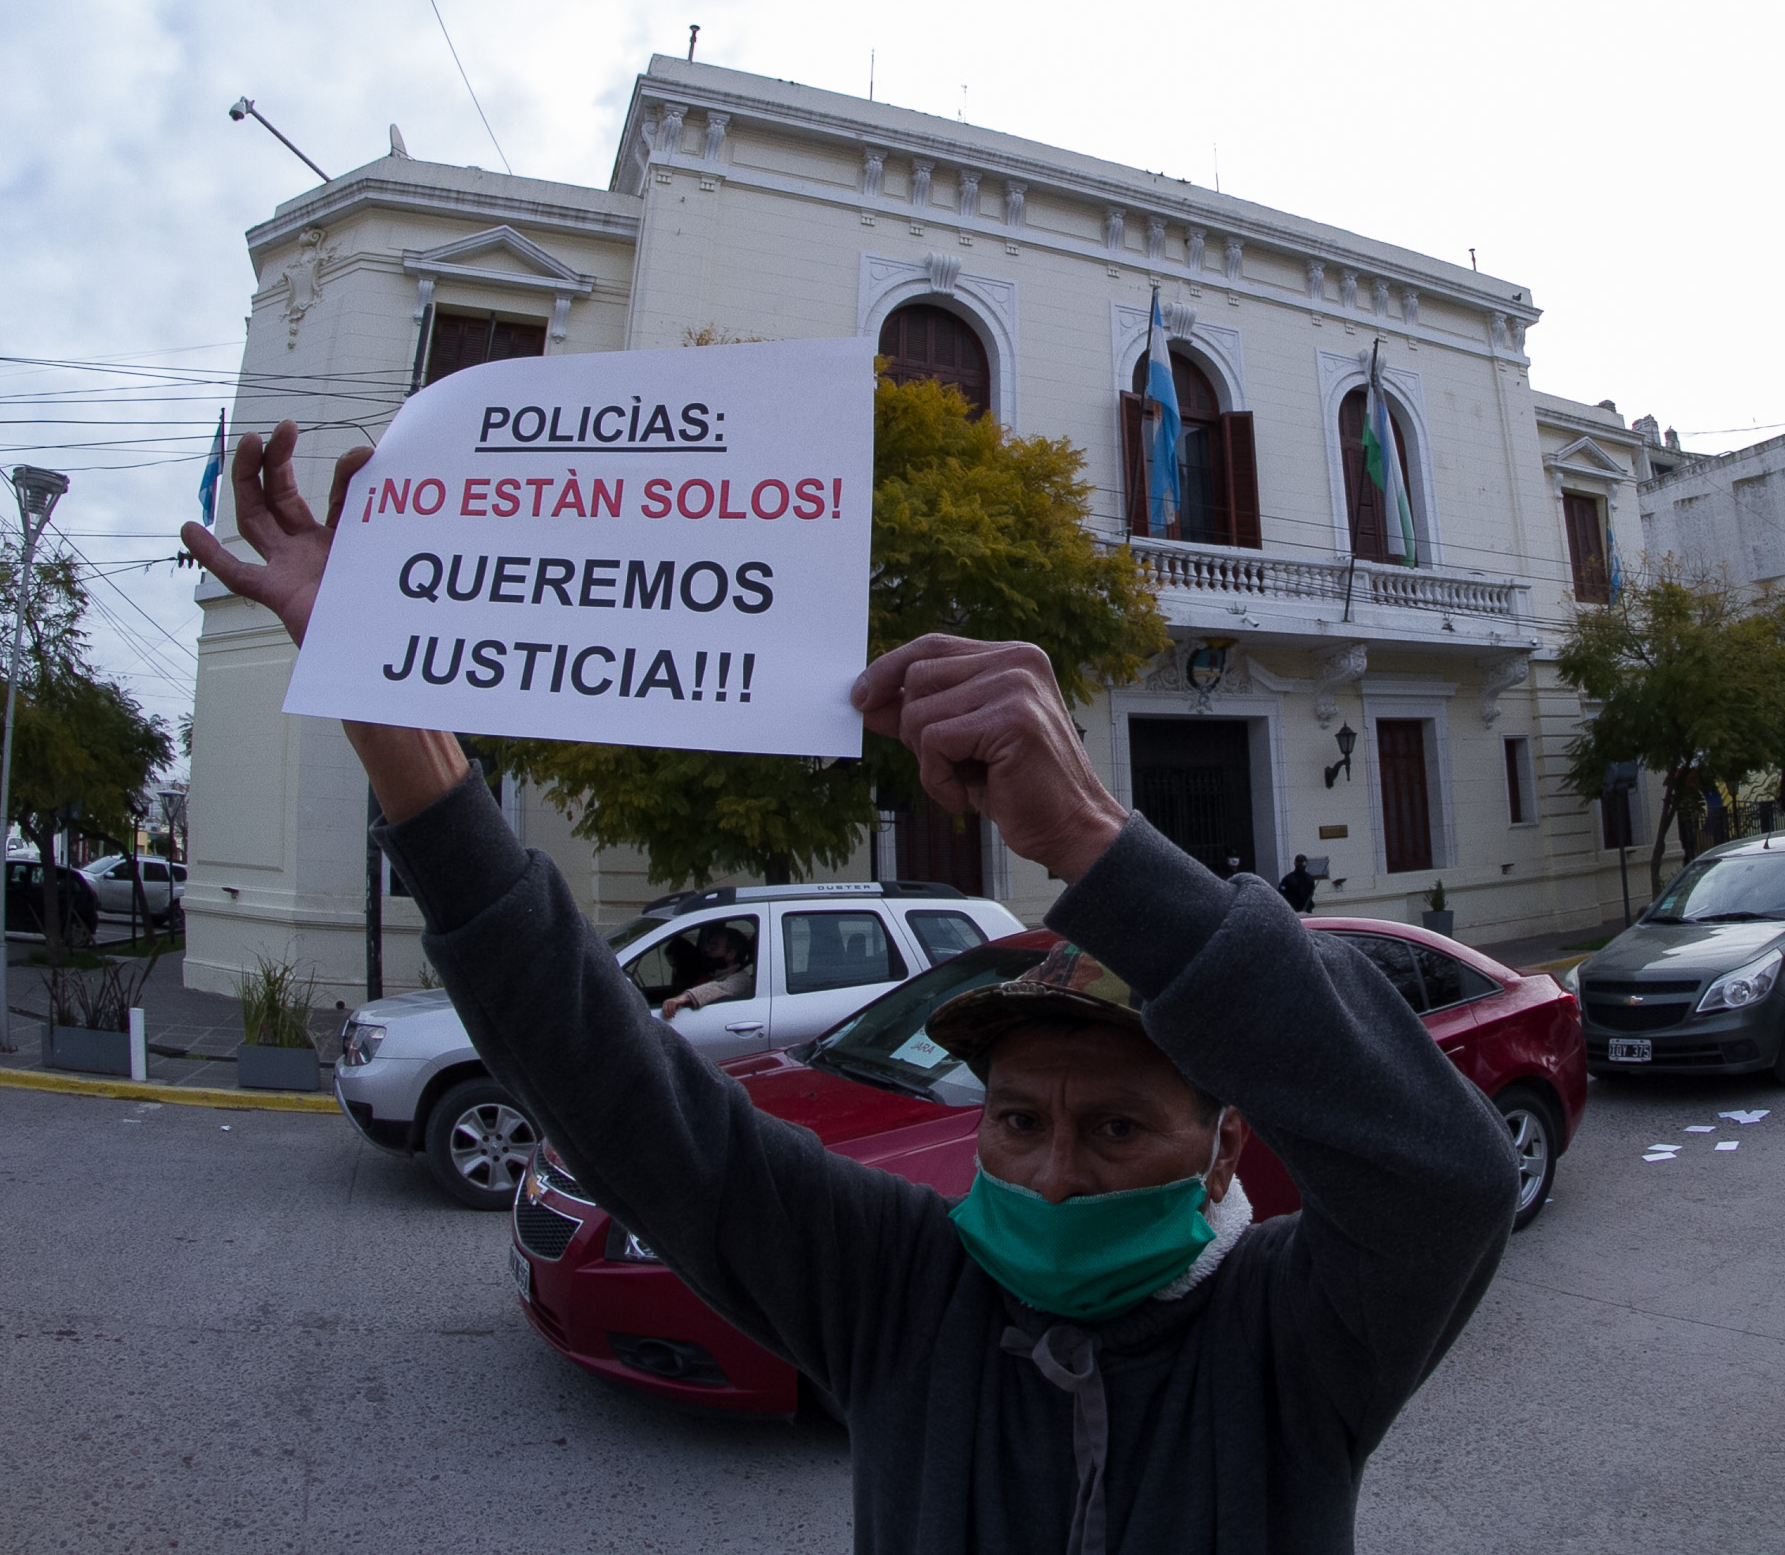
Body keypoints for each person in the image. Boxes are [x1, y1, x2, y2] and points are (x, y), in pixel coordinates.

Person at [182, 424, 1515, 1555]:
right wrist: (377, 689)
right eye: (1016, 1121)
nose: (1050, 1173)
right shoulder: (900, 1294)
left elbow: (1444, 1181)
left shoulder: (1293, 1336)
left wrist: (1092, 841)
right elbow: (619, 1093)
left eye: (1116, 1129)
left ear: (1225, 1145)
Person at [656, 921, 753, 1016]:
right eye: (708, 945)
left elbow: (719, 988)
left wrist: (684, 998)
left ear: (731, 954)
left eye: (714, 946)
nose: (707, 949)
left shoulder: (741, 979)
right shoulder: (713, 973)